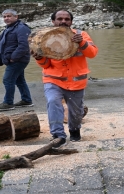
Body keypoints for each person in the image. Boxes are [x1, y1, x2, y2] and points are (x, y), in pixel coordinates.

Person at [31, 10, 98, 146]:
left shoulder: (81, 34)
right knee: (53, 102)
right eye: (60, 18)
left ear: (71, 22)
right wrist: (39, 58)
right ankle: (58, 135)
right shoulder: (45, 38)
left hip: (76, 82)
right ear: (53, 21)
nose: (63, 21)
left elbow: (92, 53)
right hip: (53, 80)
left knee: (76, 111)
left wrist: (82, 43)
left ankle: (74, 131)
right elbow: (46, 64)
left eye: (67, 19)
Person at [0, 9, 33, 110]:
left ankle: (8, 103)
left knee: (7, 79)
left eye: (9, 16)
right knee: (19, 80)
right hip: (13, 59)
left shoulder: (21, 28)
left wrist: (13, 58)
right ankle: (27, 100)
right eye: (4, 17)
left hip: (18, 60)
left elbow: (24, 46)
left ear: (16, 17)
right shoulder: (10, 28)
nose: (6, 18)